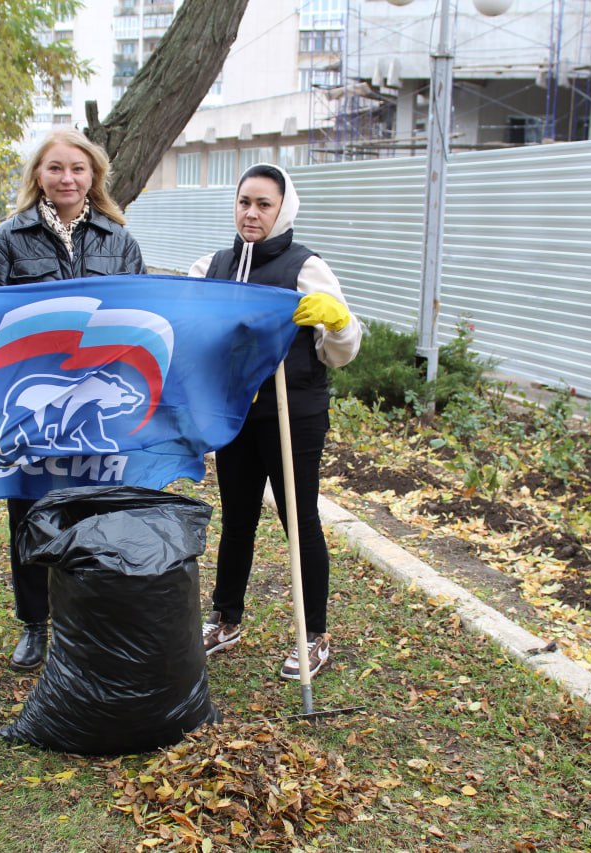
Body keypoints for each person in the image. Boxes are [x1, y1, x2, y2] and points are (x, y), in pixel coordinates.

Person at [0, 127, 146, 672]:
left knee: (95, 511)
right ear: (38, 175)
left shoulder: (119, 240)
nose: (67, 178)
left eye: (77, 168)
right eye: (55, 167)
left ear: (94, 175)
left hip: (97, 403)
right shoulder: (9, 238)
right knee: (29, 512)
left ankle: (90, 620)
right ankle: (34, 623)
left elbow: (141, 313)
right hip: (34, 404)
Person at [189, 163, 361, 681]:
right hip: (237, 412)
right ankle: (226, 618)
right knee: (238, 517)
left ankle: (314, 634)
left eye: (264, 204)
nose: (252, 213)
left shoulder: (305, 268)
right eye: (244, 202)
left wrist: (336, 321)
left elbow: (343, 350)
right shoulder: (212, 267)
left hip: (293, 413)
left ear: (283, 209)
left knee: (298, 518)